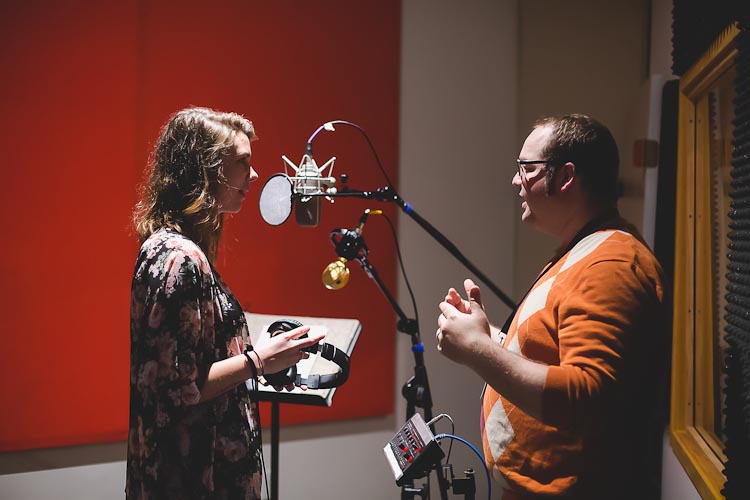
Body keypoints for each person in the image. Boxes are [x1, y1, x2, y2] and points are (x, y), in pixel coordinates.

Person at [435, 114, 669, 500]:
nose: (516, 181)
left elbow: (587, 397)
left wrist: (477, 351)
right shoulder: (583, 250)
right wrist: (487, 336)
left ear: (565, 177)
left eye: (526, 168)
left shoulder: (610, 264)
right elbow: (551, 352)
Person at [127, 106, 325, 499]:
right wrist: (260, 360)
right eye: (242, 162)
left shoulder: (164, 248)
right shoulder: (182, 259)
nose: (254, 175)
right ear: (207, 170)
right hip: (198, 481)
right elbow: (179, 389)